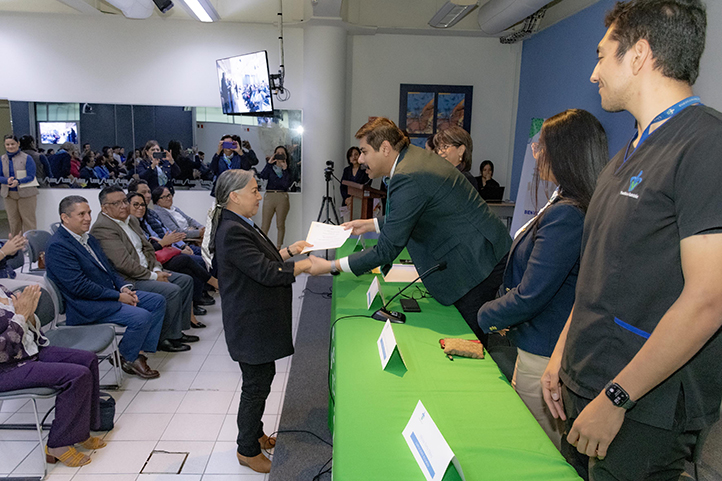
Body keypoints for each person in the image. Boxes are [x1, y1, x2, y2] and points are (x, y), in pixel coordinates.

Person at [540, 2, 722, 479]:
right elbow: (600, 273)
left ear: (638, 55)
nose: (594, 73)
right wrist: (562, 353)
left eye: (603, 56)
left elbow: (708, 299)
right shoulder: (629, 151)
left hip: (642, 406)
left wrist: (618, 397)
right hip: (586, 380)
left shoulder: (705, 145)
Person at [308, 118, 512, 343]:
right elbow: (415, 211)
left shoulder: (408, 174)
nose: (362, 159)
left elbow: (386, 249)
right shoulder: (411, 160)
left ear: (385, 148)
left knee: (467, 339)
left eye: (364, 151)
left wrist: (331, 266)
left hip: (478, 260)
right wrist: (371, 224)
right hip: (477, 252)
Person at [477, 109, 608, 449]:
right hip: (539, 345)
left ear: (564, 152)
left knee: (534, 449)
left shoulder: (567, 213)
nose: (535, 153)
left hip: (544, 353)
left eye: (541, 145)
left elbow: (532, 294)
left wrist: (484, 315)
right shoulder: (570, 203)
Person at [211, 169, 315, 474]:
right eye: (255, 191)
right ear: (234, 196)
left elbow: (262, 260)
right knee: (255, 385)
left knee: (262, 378)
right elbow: (267, 273)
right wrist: (306, 265)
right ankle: (247, 449)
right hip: (249, 321)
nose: (260, 196)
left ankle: (255, 433)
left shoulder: (241, 223)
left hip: (256, 318)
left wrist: (289, 251)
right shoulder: (231, 229)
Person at [45, 196, 166, 379]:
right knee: (141, 317)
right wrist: (118, 297)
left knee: (157, 301)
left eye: (89, 213)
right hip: (86, 305)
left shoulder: (88, 238)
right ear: (65, 217)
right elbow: (79, 287)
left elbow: (109, 269)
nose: (88, 218)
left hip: (107, 294)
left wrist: (123, 287)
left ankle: (134, 353)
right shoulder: (58, 247)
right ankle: (129, 356)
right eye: (81, 214)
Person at [0, 283, 107, 467]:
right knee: (76, 375)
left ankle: (81, 432)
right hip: (7, 368)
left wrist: (30, 315)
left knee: (88, 359)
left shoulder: (2, 287)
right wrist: (21, 316)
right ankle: (58, 445)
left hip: (28, 350)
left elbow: (27, 325)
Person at [90, 186, 198, 353]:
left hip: (148, 270)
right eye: (117, 203)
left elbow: (148, 248)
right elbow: (123, 264)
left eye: (124, 201)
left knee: (185, 281)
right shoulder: (103, 228)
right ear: (105, 208)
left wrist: (156, 268)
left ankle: (176, 332)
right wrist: (154, 276)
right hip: (129, 279)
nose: (124, 206)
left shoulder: (131, 220)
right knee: (172, 290)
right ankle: (164, 339)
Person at [128, 191, 217, 322]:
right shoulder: (131, 224)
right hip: (154, 259)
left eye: (142, 204)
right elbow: (149, 247)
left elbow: (166, 234)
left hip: (165, 251)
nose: (141, 207)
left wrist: (182, 242)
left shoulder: (146, 217)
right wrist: (172, 245)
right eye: (136, 204)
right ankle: (211, 284)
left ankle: (193, 306)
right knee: (187, 260)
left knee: (191, 268)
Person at [1, 134, 38, 236]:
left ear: (18, 144)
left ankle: (30, 245)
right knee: (13, 221)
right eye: (7, 144)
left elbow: (31, 176)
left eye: (12, 144)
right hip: (8, 195)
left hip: (26, 194)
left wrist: (18, 181)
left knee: (28, 221)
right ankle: (15, 247)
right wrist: (6, 180)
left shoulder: (27, 158)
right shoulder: (2, 159)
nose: (10, 146)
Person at [258, 146, 292, 248]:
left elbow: (286, 184)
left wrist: (285, 169)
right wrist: (269, 163)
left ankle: (278, 248)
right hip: (270, 195)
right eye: (278, 153)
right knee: (265, 224)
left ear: (286, 156)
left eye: (282, 153)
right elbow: (263, 176)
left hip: (282, 197)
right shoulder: (270, 167)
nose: (280, 155)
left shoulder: (288, 169)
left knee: (280, 224)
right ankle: (262, 247)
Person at [434, 126, 478, 191]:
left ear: (461, 150)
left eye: (445, 146)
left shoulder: (465, 180)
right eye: (439, 148)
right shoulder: (443, 176)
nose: (440, 152)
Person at [340, 146, 371, 213]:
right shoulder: (346, 170)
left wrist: (353, 198)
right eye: (351, 156)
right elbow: (343, 187)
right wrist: (346, 199)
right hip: (347, 202)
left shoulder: (366, 170)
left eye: (356, 154)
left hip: (361, 201)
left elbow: (366, 186)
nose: (353, 157)